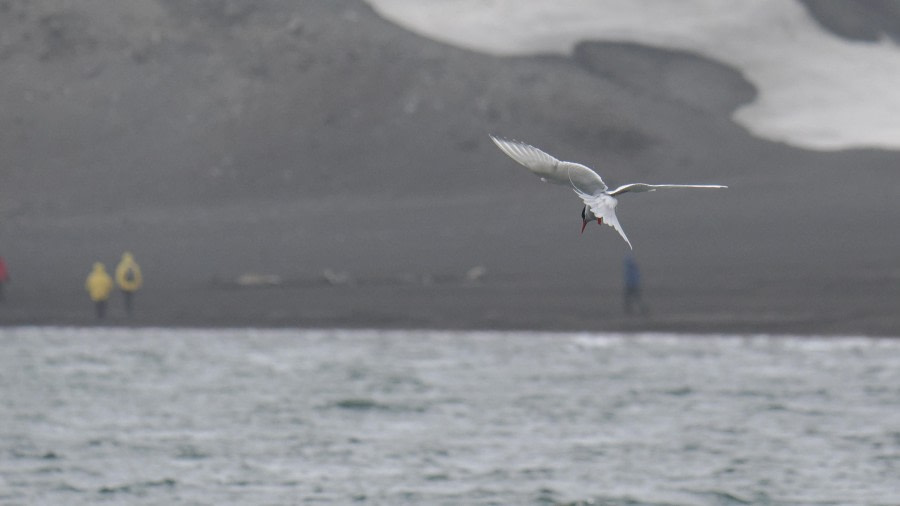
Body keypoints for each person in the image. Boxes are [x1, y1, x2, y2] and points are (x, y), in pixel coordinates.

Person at [115, 252, 142, 317]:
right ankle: (130, 310)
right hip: (132, 286)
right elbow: (138, 276)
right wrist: (137, 285)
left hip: (124, 286)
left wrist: (120, 284)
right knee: (130, 298)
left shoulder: (121, 266)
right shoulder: (135, 266)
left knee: (126, 298)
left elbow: (118, 276)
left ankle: (126, 309)